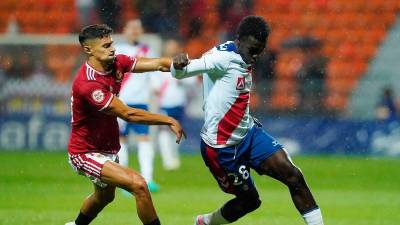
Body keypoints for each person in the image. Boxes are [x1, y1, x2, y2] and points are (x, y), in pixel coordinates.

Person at [171, 16, 324, 225]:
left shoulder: (244, 53)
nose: (255, 57)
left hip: (249, 134)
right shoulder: (221, 59)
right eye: (252, 50)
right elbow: (182, 71)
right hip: (221, 148)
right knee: (250, 201)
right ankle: (205, 223)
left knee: (294, 176)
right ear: (239, 40)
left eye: (260, 50)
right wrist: (177, 64)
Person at [65, 24, 187, 225]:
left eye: (111, 44)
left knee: (104, 197)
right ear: (88, 50)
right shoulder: (88, 84)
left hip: (108, 148)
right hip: (85, 152)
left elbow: (156, 64)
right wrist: (167, 120)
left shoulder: (116, 63)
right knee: (138, 184)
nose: (112, 49)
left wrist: (177, 63)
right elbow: (127, 113)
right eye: (105, 46)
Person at [115, 19, 160, 192]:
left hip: (141, 102)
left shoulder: (148, 50)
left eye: (137, 28)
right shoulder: (117, 50)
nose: (134, 30)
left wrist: (156, 87)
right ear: (124, 29)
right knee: (120, 139)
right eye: (131, 27)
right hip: (120, 102)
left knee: (144, 139)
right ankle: (123, 180)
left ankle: (147, 179)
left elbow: (155, 74)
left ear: (141, 31)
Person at [154, 37, 198, 170]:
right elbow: (154, 84)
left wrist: (182, 80)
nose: (172, 49)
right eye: (169, 46)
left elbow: (194, 80)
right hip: (164, 103)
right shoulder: (159, 64)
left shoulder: (184, 64)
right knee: (163, 131)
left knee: (177, 130)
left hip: (179, 103)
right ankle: (167, 159)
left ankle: (174, 157)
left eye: (174, 46)